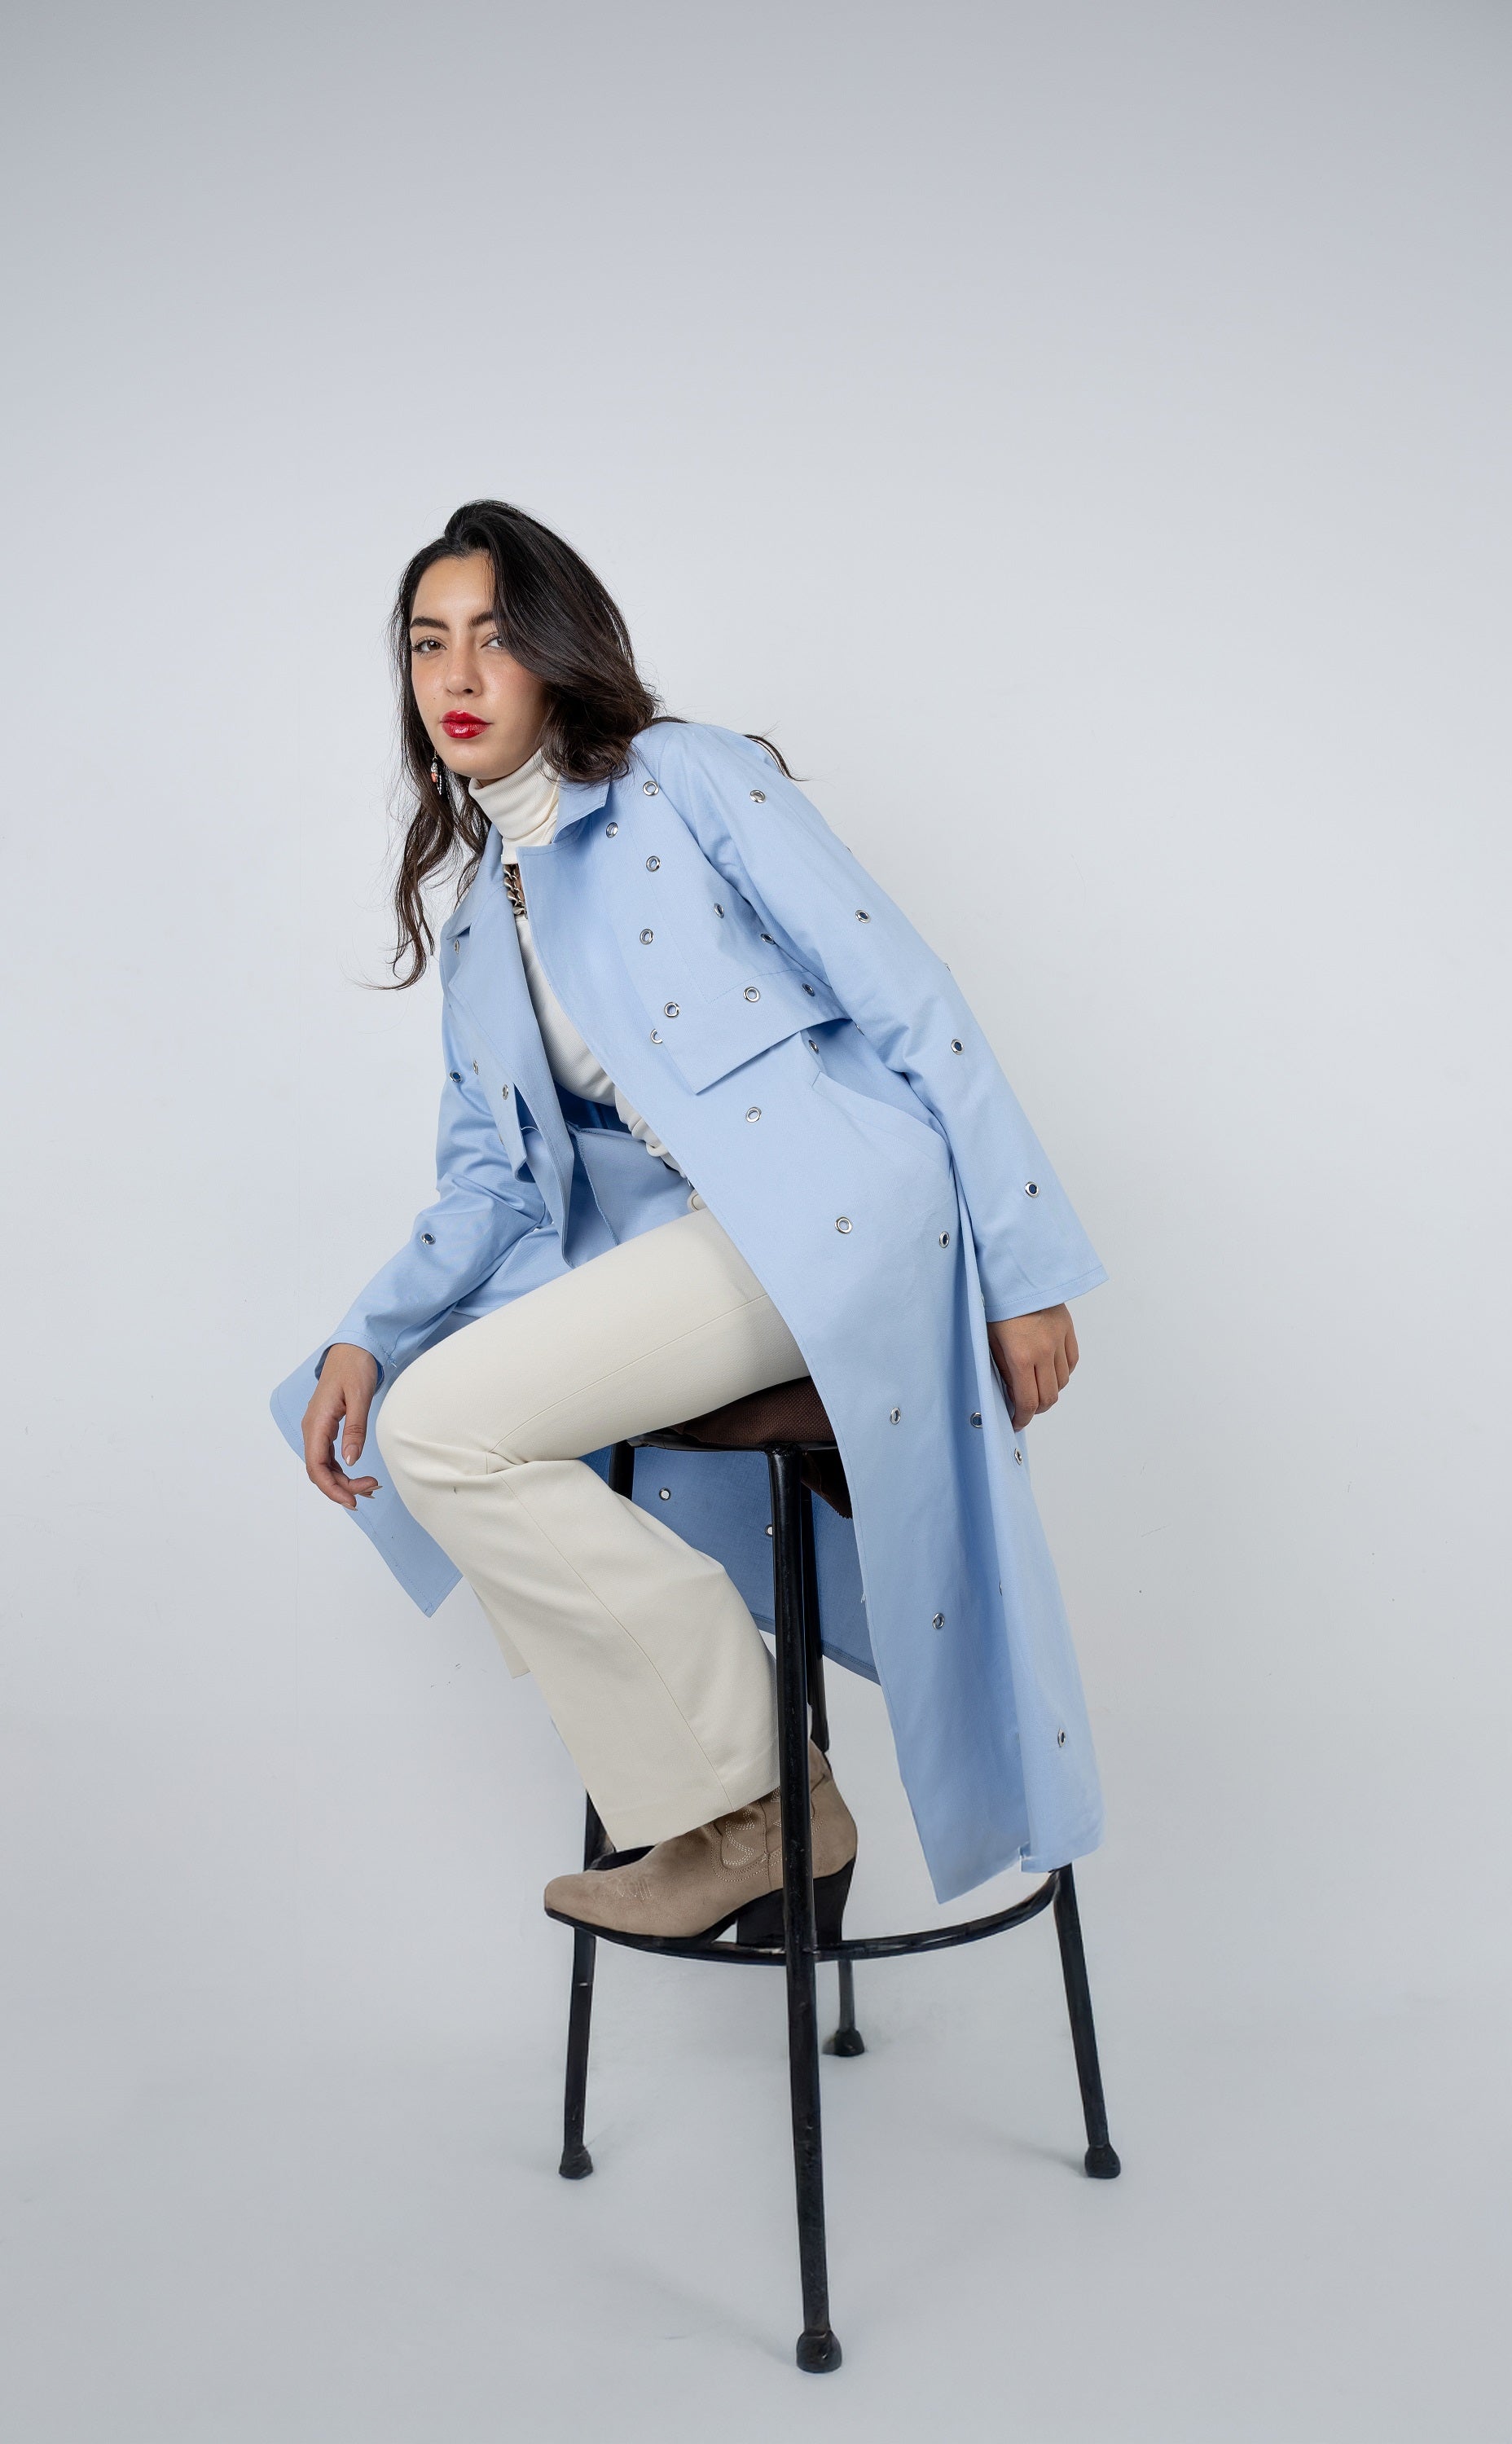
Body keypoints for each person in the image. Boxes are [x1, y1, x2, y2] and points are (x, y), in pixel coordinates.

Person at [275, 499, 1106, 1935]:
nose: (459, 678)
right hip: (702, 1251)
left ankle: (760, 1811)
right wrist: (366, 1333)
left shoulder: (687, 778)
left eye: (493, 638)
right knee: (428, 1416)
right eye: (428, 646)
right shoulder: (483, 920)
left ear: (556, 654)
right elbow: (487, 1182)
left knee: (447, 1433)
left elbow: (906, 991)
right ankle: (750, 1804)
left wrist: (1023, 1264)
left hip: (841, 1213)